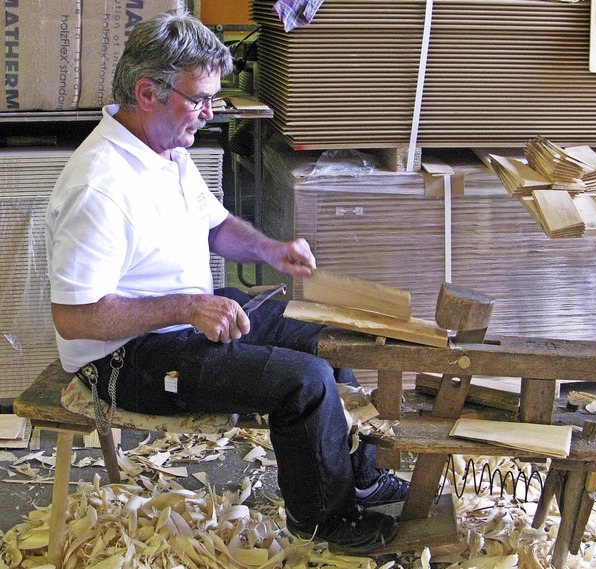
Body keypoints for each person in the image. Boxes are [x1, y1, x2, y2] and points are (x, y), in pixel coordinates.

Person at [45, 10, 408, 555]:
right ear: (148, 93)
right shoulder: (100, 186)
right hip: (125, 359)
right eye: (199, 99)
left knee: (324, 337)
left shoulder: (164, 150)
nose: (210, 114)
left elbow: (213, 224)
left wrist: (270, 249)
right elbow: (75, 316)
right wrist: (188, 306)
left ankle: (355, 476)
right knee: (302, 381)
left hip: (185, 322)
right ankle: (325, 524)